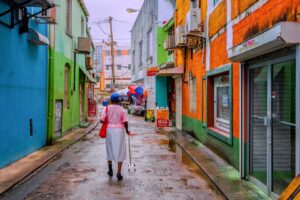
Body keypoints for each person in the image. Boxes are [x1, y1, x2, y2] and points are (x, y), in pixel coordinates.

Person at [100, 93, 130, 181]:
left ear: (111, 100)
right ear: (118, 100)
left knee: (109, 148)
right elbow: (125, 122)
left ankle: (110, 170)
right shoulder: (122, 110)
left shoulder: (106, 108)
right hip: (120, 131)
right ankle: (119, 173)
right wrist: (127, 131)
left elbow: (102, 120)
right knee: (120, 150)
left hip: (109, 130)